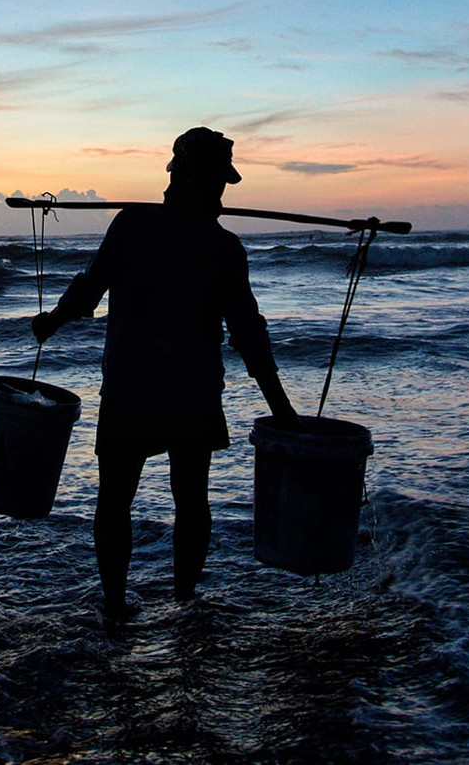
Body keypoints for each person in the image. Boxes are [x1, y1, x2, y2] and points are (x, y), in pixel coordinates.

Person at [32, 126, 300, 618]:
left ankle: (116, 605)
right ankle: (184, 603)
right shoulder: (222, 247)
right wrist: (281, 409)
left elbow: (88, 294)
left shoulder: (132, 226)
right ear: (194, 181)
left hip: (131, 389)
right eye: (217, 184)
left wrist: (51, 322)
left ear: (176, 178)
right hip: (191, 393)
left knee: (117, 498)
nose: (221, 195)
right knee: (190, 500)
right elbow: (249, 334)